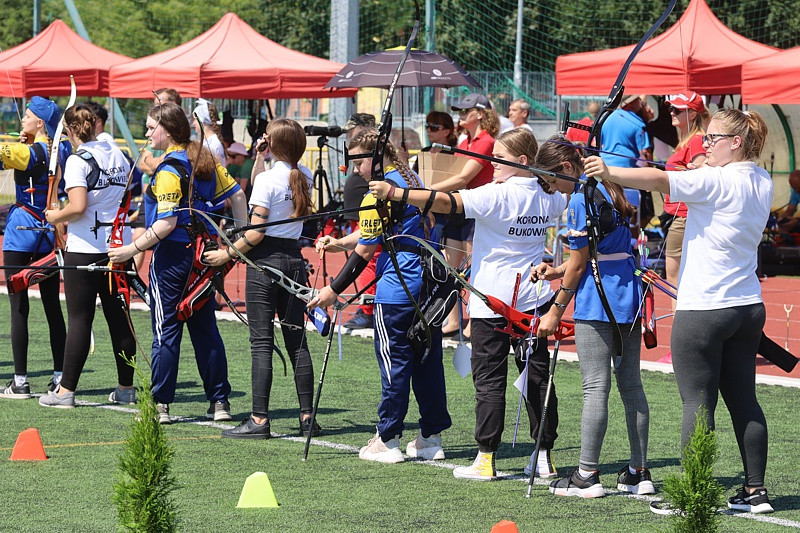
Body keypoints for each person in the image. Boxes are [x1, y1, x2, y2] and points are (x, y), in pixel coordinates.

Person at [583, 109, 775, 514]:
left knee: (697, 402)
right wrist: (705, 162)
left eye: (713, 139)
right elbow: (693, 172)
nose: (704, 145)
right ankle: (756, 492)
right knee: (744, 400)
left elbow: (658, 178)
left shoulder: (714, 181)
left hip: (705, 309)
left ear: (736, 142)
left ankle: (691, 494)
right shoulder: (760, 179)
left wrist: (609, 172)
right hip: (747, 307)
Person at [370, 128, 567, 481]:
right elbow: (566, 187)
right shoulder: (549, 195)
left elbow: (448, 203)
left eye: (500, 159)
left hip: (494, 304)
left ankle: (486, 459)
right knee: (536, 379)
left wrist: (395, 193)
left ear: (522, 161)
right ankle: (543, 458)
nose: (493, 166)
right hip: (533, 301)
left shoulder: (497, 194)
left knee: (490, 381)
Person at [312, 130, 451, 464]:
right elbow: (376, 233)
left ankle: (387, 438)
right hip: (426, 287)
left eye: (359, 161)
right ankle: (431, 437)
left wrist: (332, 290)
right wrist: (338, 243)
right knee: (427, 362)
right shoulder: (408, 179)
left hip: (396, 291)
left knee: (395, 364)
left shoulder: (379, 191)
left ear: (375, 157)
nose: (355, 170)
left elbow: (365, 252)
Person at [108, 102, 247, 424]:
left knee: (166, 330)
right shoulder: (203, 160)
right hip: (203, 257)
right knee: (205, 330)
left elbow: (166, 223)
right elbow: (238, 196)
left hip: (172, 258)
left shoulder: (170, 170)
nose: (146, 133)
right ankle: (219, 403)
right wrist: (238, 241)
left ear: (167, 131)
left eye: (150, 126)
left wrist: (131, 250)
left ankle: (161, 405)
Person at [532, 135, 652, 499]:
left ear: (567, 168)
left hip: (597, 300)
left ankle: (587, 475)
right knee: (631, 386)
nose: (553, 189)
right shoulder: (610, 186)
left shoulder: (579, 201)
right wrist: (557, 271)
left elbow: (583, 262)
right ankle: (639, 472)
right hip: (627, 294)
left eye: (553, 181)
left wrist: (555, 310)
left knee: (595, 387)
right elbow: (602, 251)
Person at [203, 119, 319, 439]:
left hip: (264, 263)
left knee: (262, 343)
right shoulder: (304, 176)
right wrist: (260, 157)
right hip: (294, 260)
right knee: (297, 343)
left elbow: (255, 232)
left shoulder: (270, 180)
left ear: (276, 143)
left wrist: (227, 254)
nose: (262, 138)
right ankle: (307, 417)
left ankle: (259, 419)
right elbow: (260, 186)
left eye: (267, 136)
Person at [38, 104, 137, 408]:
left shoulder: (77, 161)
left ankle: (66, 391)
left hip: (85, 250)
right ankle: (125, 388)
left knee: (80, 319)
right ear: (94, 125)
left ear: (68, 131)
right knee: (120, 319)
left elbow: (78, 206)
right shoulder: (116, 152)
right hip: (118, 248)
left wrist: (56, 215)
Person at [0, 97, 68, 399]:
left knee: (19, 307)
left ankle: (20, 380)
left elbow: (9, 154)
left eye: (27, 117)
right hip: (47, 233)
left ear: (40, 122)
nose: (22, 120)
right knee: (53, 306)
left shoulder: (25, 152)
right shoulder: (61, 149)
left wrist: (20, 144)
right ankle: (58, 376)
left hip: (20, 232)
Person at [435, 93, 500, 338]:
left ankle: (474, 321)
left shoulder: (486, 141)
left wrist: (427, 191)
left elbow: (464, 177)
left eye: (465, 111)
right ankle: (454, 321)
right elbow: (455, 175)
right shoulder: (465, 142)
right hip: (459, 208)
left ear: (480, 114)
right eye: (460, 111)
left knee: (475, 268)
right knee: (452, 267)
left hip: (476, 211)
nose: (460, 115)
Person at [661, 93, 708, 312]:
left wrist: (691, 171)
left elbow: (702, 172)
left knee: (674, 278)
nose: (671, 112)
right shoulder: (687, 141)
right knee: (678, 278)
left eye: (677, 110)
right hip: (681, 216)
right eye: (671, 109)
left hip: (684, 217)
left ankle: (680, 338)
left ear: (692, 114)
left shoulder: (697, 140)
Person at [340, 113, 379, 330]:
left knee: (367, 260)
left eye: (352, 131)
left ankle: (367, 310)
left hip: (364, 214)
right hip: (357, 212)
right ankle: (366, 306)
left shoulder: (372, 154)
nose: (348, 135)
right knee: (364, 258)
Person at [600, 94, 652, 168]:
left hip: (605, 165)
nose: (640, 101)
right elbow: (645, 153)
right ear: (630, 103)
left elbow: (597, 143)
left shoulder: (607, 119)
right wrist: (650, 171)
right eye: (637, 99)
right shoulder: (638, 124)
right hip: (625, 169)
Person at [193, 98, 227, 167]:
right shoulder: (208, 141)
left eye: (195, 120)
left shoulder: (214, 145)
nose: (193, 123)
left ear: (202, 121)